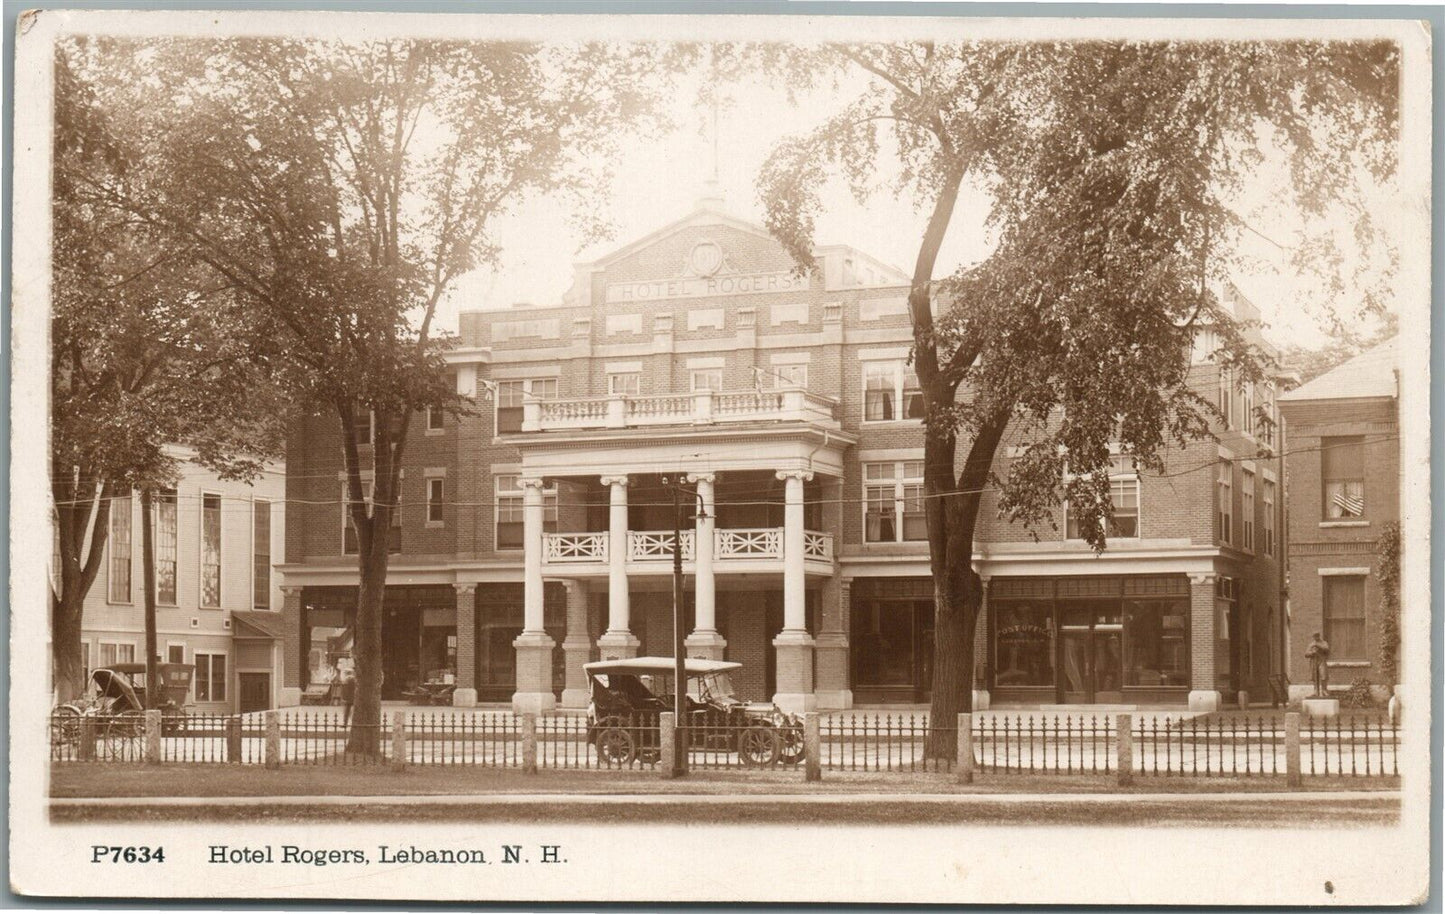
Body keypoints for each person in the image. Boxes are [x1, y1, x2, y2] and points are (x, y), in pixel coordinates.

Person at [1305, 632, 1331, 698]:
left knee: (1323, 675)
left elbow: (1327, 649)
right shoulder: (1311, 644)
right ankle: (1316, 691)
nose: (1316, 637)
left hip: (1321, 661)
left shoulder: (1324, 643)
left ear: (1319, 636)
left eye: (1317, 636)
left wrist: (1318, 646)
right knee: (1315, 677)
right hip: (1314, 662)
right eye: (1314, 636)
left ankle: (1324, 690)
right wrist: (1312, 653)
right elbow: (1306, 654)